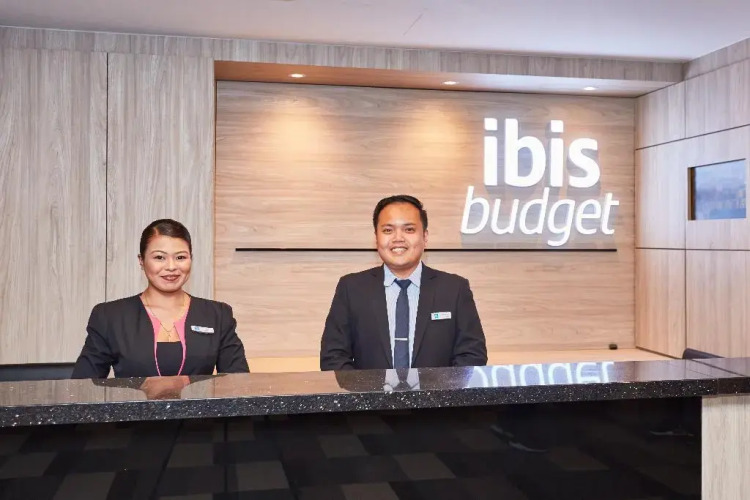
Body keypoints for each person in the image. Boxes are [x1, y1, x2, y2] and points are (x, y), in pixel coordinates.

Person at [320, 195, 487, 370]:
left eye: (409, 229)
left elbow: (472, 355)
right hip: (367, 390)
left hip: (439, 390)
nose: (398, 238)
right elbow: (333, 357)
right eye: (388, 230)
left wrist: (439, 388)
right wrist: (366, 389)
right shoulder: (351, 288)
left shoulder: (454, 289)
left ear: (425, 236)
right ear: (376, 237)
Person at [72, 219, 249, 378]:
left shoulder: (217, 315)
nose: (171, 267)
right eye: (159, 257)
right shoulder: (110, 316)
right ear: (141, 261)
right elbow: (83, 388)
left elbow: (239, 385)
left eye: (180, 257)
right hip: (134, 406)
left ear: (191, 259)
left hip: (200, 407)